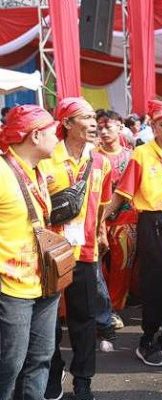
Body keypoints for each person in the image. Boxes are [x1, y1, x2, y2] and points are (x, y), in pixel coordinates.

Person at [105, 100, 162, 367]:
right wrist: (101, 219)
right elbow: (123, 193)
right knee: (158, 284)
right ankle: (148, 341)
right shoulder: (142, 153)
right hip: (152, 221)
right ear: (153, 126)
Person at [40, 97, 113, 400]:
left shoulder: (102, 162)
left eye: (94, 117)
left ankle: (83, 379)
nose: (94, 123)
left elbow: (103, 205)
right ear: (67, 124)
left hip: (85, 253)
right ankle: (53, 372)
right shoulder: (45, 159)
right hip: (50, 253)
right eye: (85, 117)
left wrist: (102, 232)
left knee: (84, 320)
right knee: (49, 321)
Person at [0, 105, 60, 400]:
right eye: (53, 132)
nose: (57, 138)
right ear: (35, 136)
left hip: (45, 282)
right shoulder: (2, 172)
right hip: (11, 288)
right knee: (9, 366)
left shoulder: (38, 171)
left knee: (40, 360)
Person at [97, 110, 137, 328]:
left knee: (122, 267)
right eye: (99, 127)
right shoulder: (92, 156)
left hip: (127, 218)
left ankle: (114, 308)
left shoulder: (132, 156)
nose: (103, 131)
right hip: (98, 220)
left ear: (120, 127)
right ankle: (102, 307)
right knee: (98, 266)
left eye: (108, 127)